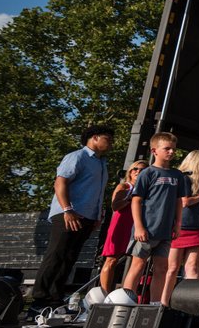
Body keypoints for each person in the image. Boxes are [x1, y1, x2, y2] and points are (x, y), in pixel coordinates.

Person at [32, 124, 114, 306]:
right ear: (94, 138)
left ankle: (54, 298)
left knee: (70, 257)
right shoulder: (77, 157)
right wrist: (67, 210)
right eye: (107, 139)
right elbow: (60, 183)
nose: (111, 143)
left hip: (87, 217)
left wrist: (97, 215)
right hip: (69, 214)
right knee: (56, 254)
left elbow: (97, 191)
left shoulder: (101, 163)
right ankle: (39, 299)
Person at [122, 132, 189, 306]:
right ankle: (125, 303)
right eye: (167, 148)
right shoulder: (147, 173)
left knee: (162, 268)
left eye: (173, 149)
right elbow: (136, 200)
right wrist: (138, 226)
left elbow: (178, 201)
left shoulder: (177, 175)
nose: (171, 152)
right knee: (138, 266)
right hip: (147, 228)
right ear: (154, 151)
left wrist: (178, 224)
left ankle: (155, 305)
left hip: (166, 230)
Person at [98, 160, 147, 294]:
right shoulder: (124, 187)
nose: (138, 172)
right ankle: (105, 293)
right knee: (111, 259)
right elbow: (115, 206)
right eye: (135, 169)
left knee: (136, 260)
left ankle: (128, 293)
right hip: (122, 224)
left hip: (138, 226)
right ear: (130, 172)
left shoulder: (148, 189)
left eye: (142, 170)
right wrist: (131, 197)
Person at [172, 150, 199, 283]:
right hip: (181, 227)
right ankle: (163, 300)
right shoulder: (184, 178)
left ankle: (190, 302)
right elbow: (185, 202)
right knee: (172, 268)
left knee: (193, 267)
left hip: (197, 228)